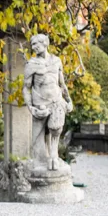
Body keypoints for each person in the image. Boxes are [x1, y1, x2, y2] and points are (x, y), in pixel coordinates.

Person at [23, 34, 73, 171]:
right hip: (40, 104)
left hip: (56, 101)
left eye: (36, 44)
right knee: (37, 138)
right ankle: (40, 163)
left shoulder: (56, 61)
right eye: (32, 45)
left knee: (56, 129)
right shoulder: (31, 64)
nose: (34, 47)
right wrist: (31, 108)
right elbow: (26, 88)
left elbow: (62, 84)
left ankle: (53, 156)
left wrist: (69, 100)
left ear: (45, 43)